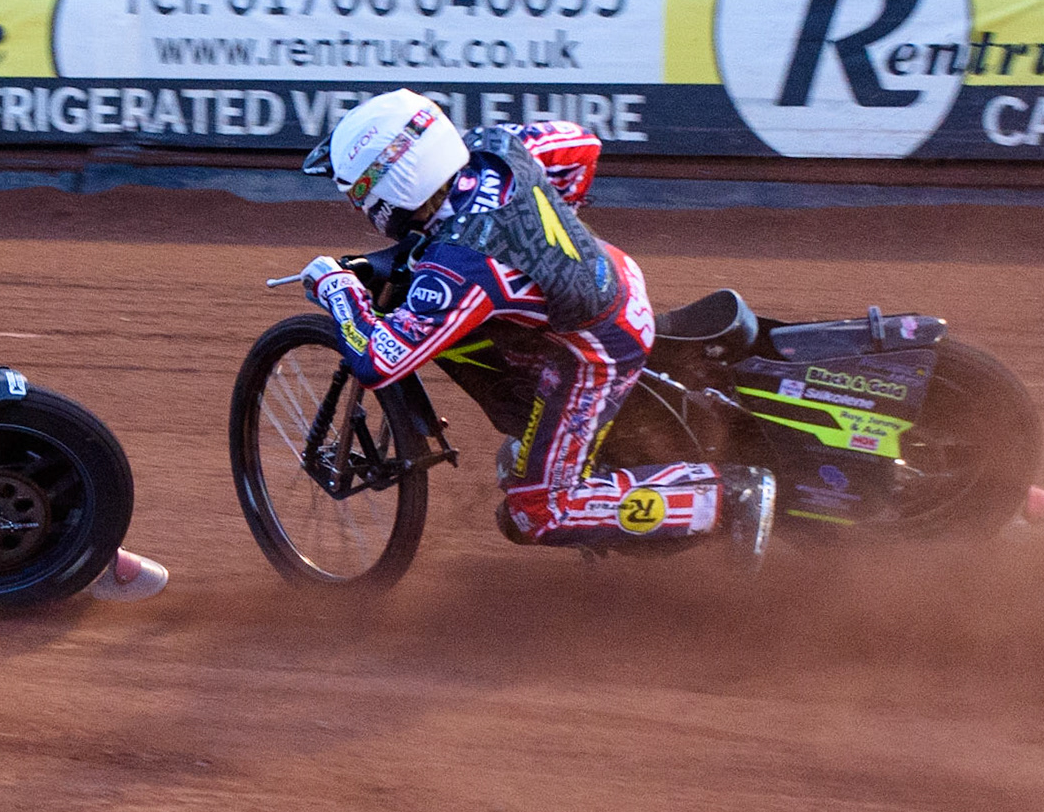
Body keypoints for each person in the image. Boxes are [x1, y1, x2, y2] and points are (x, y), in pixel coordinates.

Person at [298, 89, 776, 561]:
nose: (358, 207)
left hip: (594, 350)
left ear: (390, 187)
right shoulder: (495, 147)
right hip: (612, 274)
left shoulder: (461, 264)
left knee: (537, 511)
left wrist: (338, 289)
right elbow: (581, 146)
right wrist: (549, 238)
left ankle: (725, 497)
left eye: (358, 192)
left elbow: (380, 363)